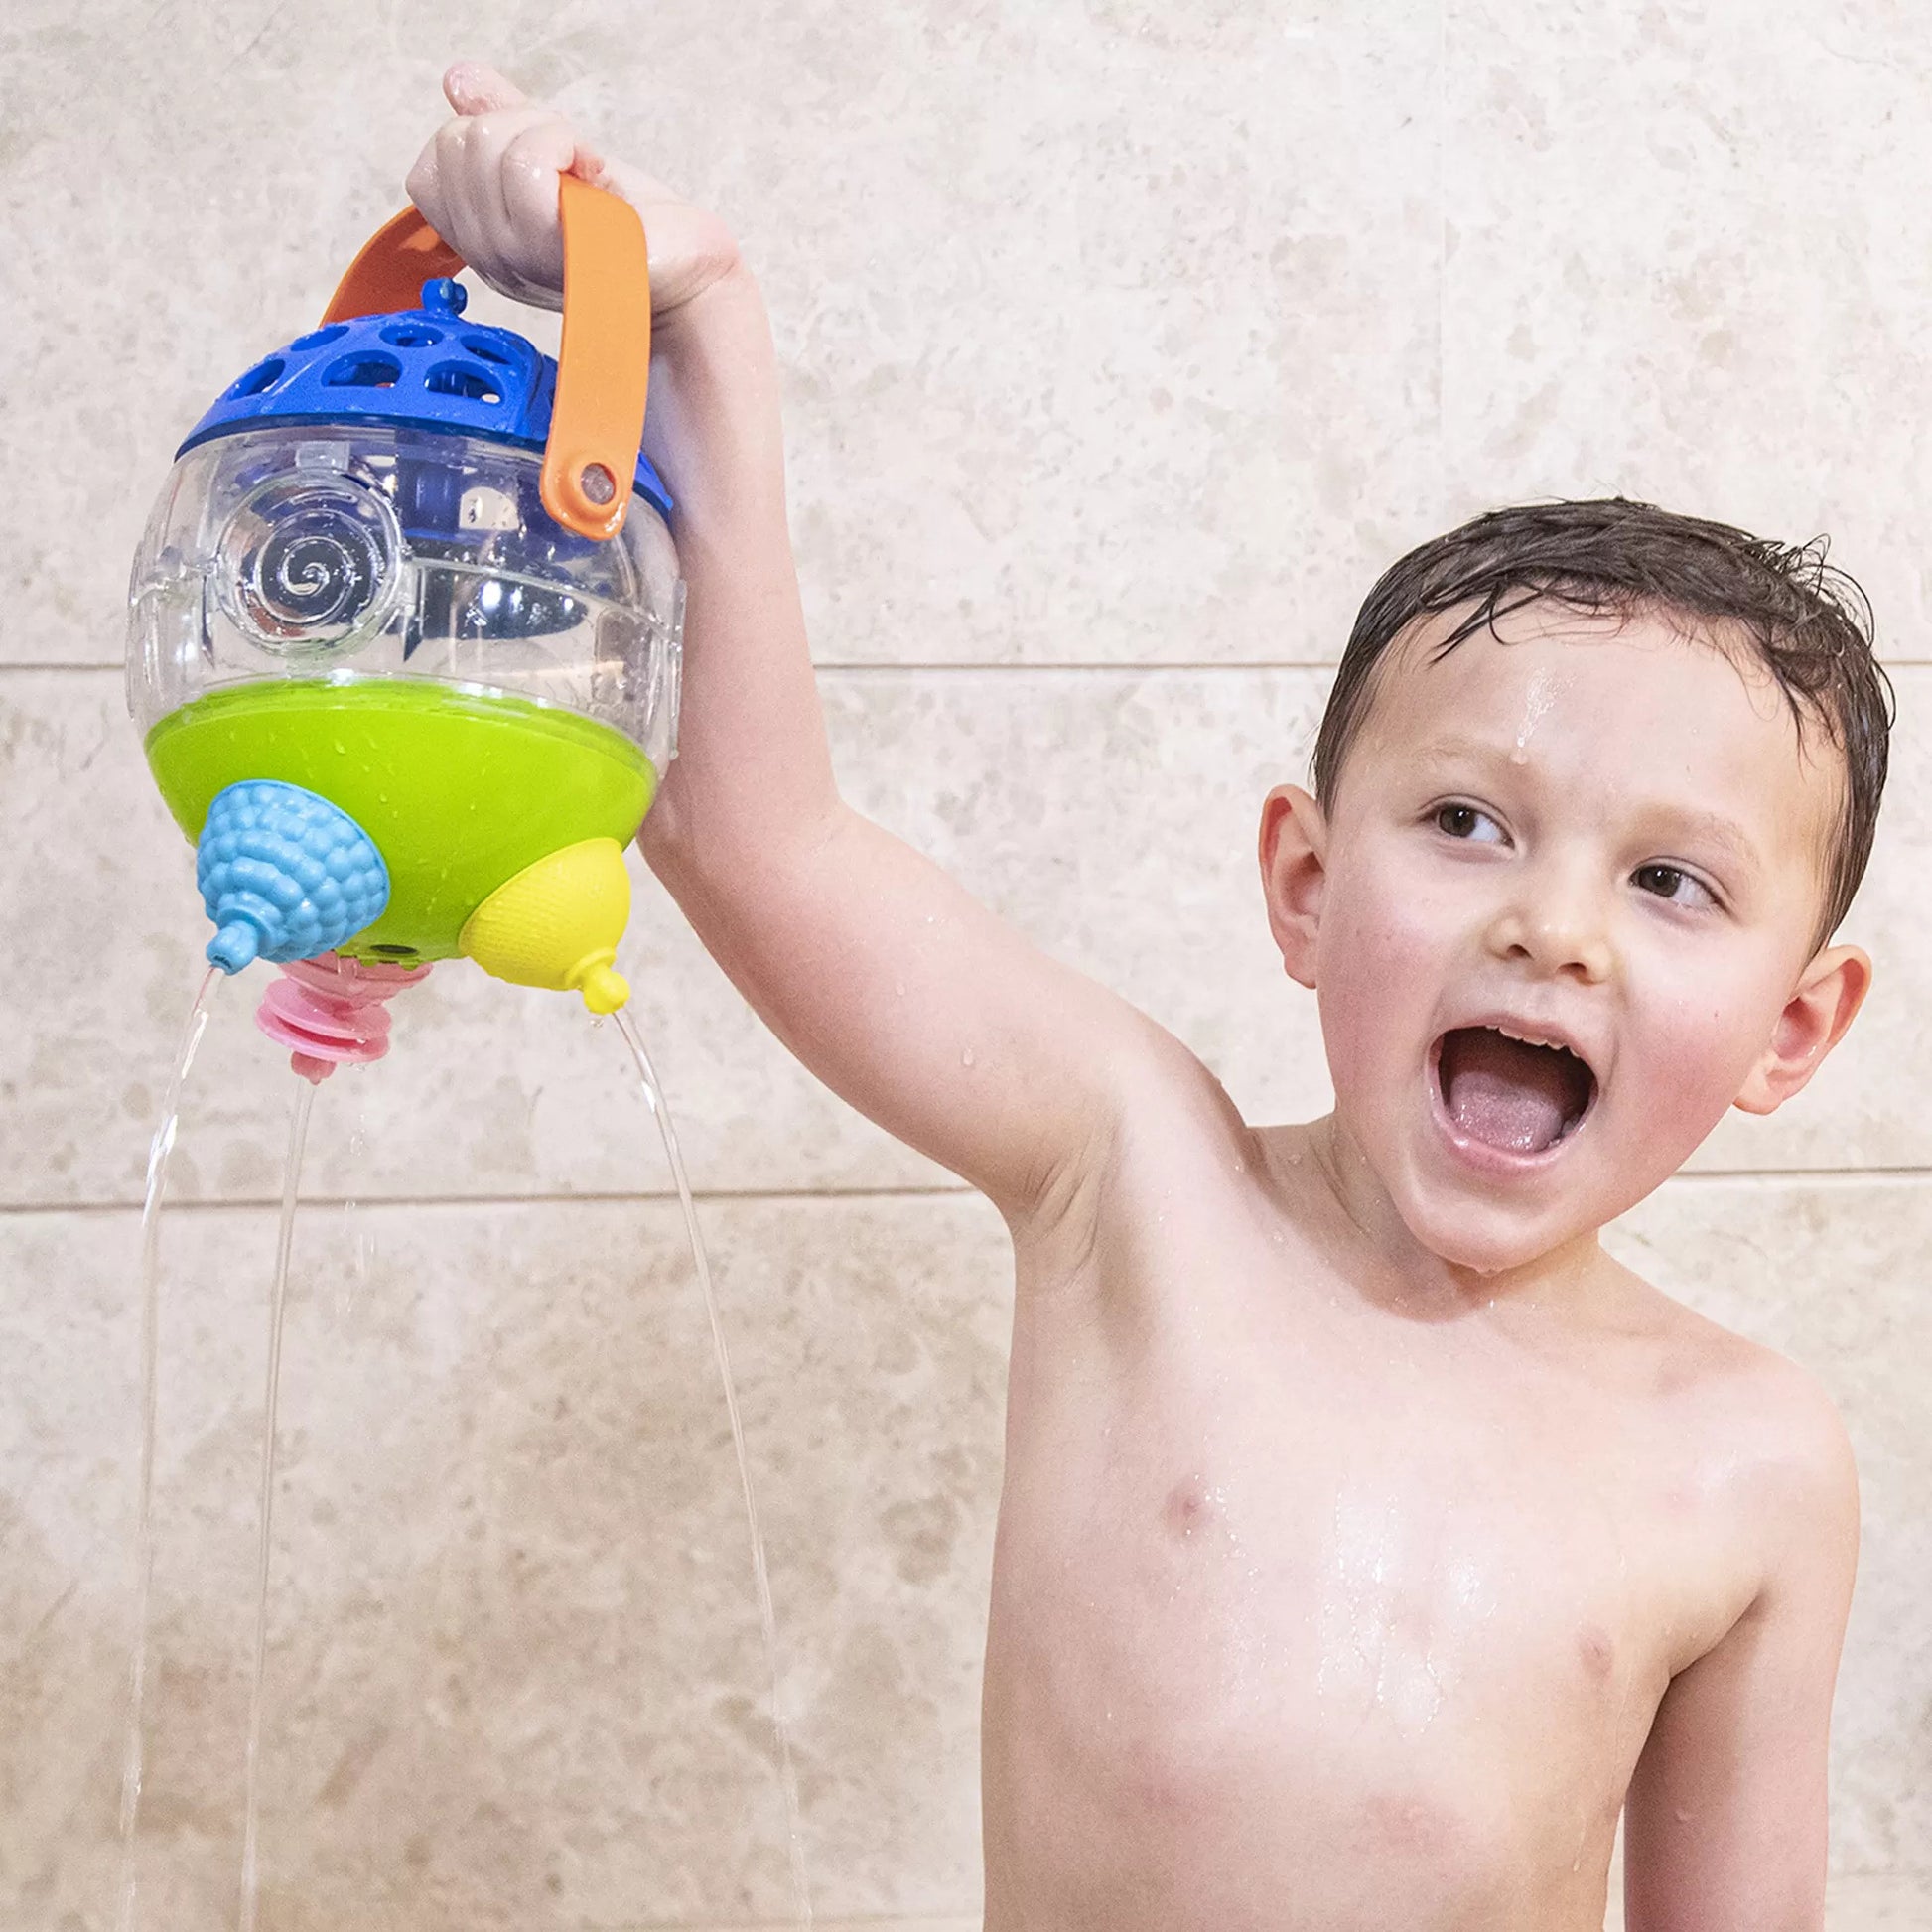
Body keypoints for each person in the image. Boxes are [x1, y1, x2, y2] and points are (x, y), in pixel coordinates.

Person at [407, 60, 1891, 1931]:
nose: (1554, 929)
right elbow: (754, 832)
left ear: (1789, 1028)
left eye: (1668, 881)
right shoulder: (1137, 1178)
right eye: (1465, 821)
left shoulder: (1748, 1457)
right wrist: (696, 320)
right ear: (1304, 882)